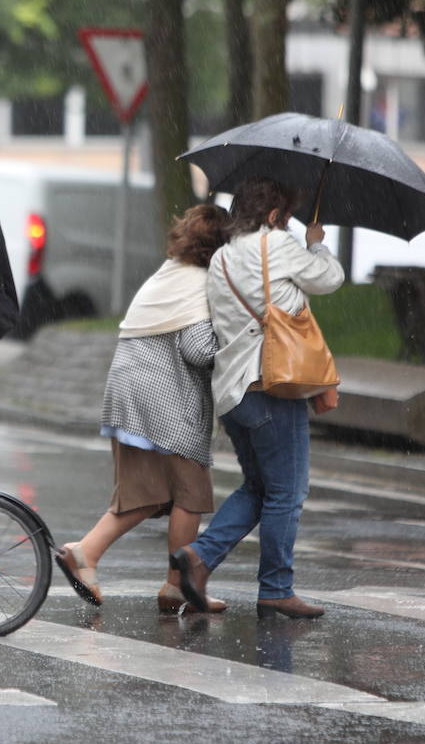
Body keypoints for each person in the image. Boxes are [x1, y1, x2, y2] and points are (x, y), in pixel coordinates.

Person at [174, 176, 343, 620]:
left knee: (258, 487)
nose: (288, 223)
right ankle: (275, 589)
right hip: (270, 385)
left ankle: (199, 557)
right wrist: (316, 244)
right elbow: (331, 279)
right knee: (287, 492)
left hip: (232, 393)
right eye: (285, 216)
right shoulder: (278, 245)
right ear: (273, 216)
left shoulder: (223, 258)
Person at [55, 203, 231, 613]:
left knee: (147, 492)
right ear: (219, 249)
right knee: (191, 493)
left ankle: (85, 553)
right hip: (165, 398)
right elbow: (198, 349)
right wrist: (241, 338)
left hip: (127, 390)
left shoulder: (169, 273)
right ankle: (178, 584)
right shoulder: (201, 283)